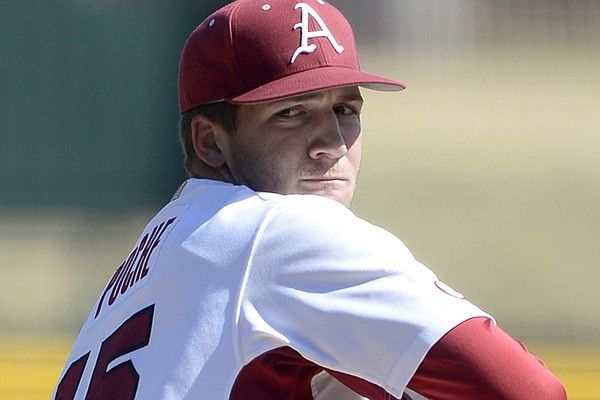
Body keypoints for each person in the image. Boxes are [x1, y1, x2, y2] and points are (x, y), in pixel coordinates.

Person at [53, 1, 567, 399]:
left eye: (345, 109)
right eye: (292, 112)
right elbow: (530, 390)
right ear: (211, 142)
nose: (333, 142)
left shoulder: (160, 249)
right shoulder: (282, 231)